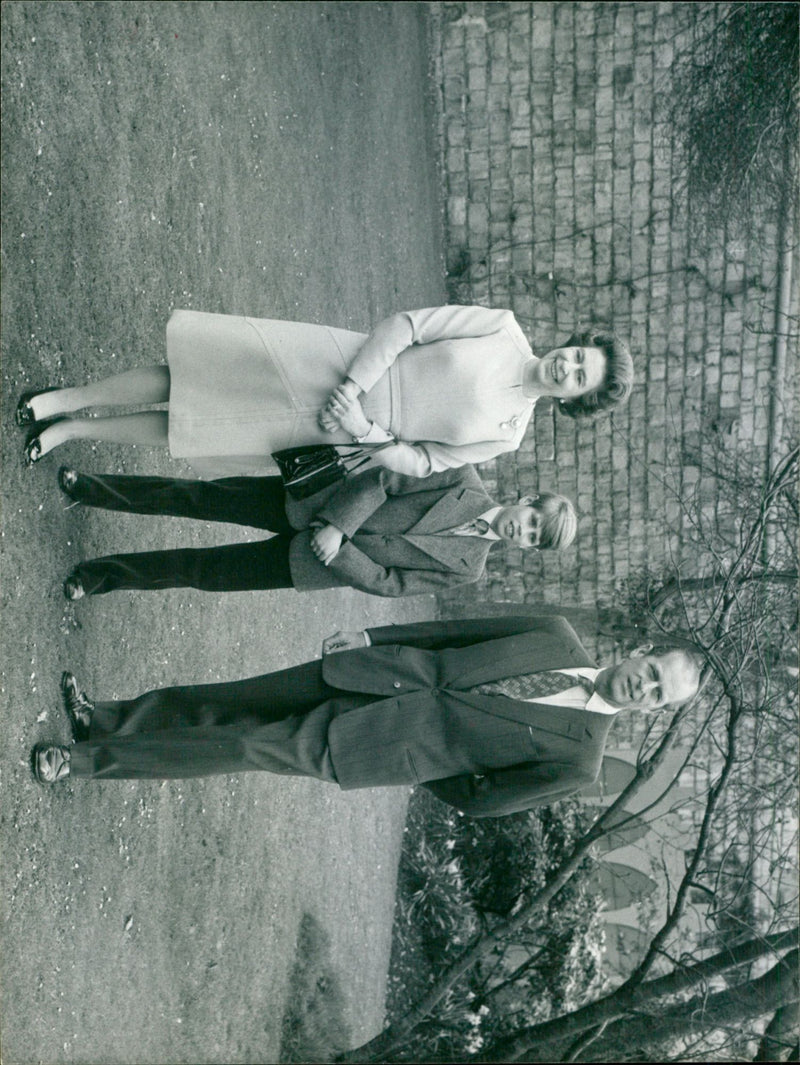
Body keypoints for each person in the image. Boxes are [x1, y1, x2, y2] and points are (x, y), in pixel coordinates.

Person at [31, 615, 704, 818]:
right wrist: (376, 640)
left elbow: (483, 798)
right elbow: (452, 634)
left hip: (376, 743)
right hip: (378, 674)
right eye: (651, 670)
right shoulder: (555, 634)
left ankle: (83, 762)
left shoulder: (580, 761)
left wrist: (419, 756)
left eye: (655, 693)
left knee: (238, 744)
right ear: (642, 651)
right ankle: (107, 719)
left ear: (653, 710)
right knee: (233, 698)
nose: (642, 684)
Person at [18, 306, 634, 477]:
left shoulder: (508, 435)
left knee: (196, 427)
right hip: (339, 366)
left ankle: (74, 432)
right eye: (579, 356)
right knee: (197, 378)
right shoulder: (502, 329)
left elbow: (423, 462)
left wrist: (363, 429)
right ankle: (66, 399)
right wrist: (354, 387)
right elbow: (407, 326)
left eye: (580, 378)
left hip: (339, 432)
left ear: (576, 401)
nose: (567, 368)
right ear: (573, 342)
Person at [56, 464, 576, 599]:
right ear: (528, 501)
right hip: (310, 504)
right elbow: (387, 479)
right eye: (532, 522)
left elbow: (392, 583)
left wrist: (338, 552)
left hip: (312, 565)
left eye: (532, 540)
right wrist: (337, 524)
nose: (521, 532)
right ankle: (92, 488)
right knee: (198, 498)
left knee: (202, 571)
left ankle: (96, 577)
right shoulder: (463, 477)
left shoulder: (469, 570)